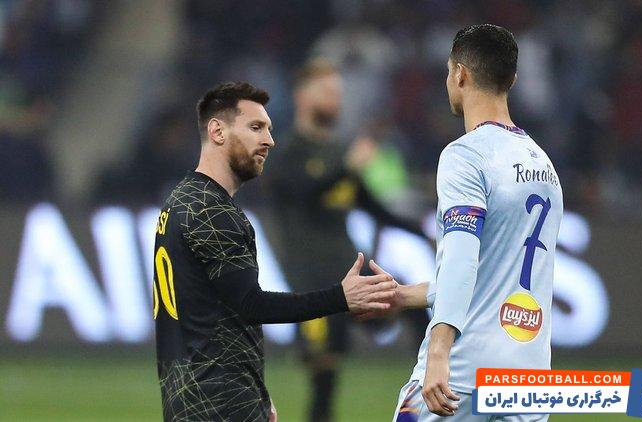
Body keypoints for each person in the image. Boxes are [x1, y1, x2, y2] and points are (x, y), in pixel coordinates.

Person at [152, 81, 398, 422]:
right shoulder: (213, 212)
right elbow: (252, 305)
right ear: (218, 131)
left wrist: (255, 392)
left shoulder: (182, 200)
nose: (269, 140)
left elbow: (215, 314)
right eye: (256, 127)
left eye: (268, 129)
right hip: (220, 406)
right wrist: (341, 297)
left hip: (191, 398)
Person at [379, 24, 564, 421]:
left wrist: (439, 353)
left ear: (460, 74)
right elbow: (496, 277)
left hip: (465, 371)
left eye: (449, 71)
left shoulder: (466, 156)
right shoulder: (545, 168)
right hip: (529, 378)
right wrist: (407, 296)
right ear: (512, 80)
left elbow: (462, 260)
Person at [265, 58, 425, 422]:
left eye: (337, 93)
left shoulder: (338, 151)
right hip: (313, 287)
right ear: (302, 96)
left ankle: (428, 392)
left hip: (350, 271)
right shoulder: (286, 152)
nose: (334, 100)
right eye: (326, 91)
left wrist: (426, 229)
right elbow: (303, 193)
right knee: (324, 380)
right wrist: (348, 167)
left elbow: (372, 206)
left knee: (414, 305)